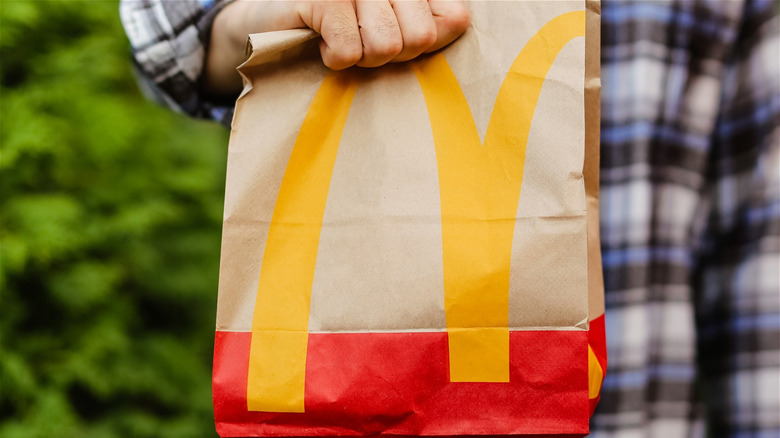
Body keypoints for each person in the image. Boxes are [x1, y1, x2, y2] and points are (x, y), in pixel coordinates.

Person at [120, 0, 780, 436]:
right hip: (365, 392)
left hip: (645, 408)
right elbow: (172, 38)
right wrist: (288, 12)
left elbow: (758, 258)